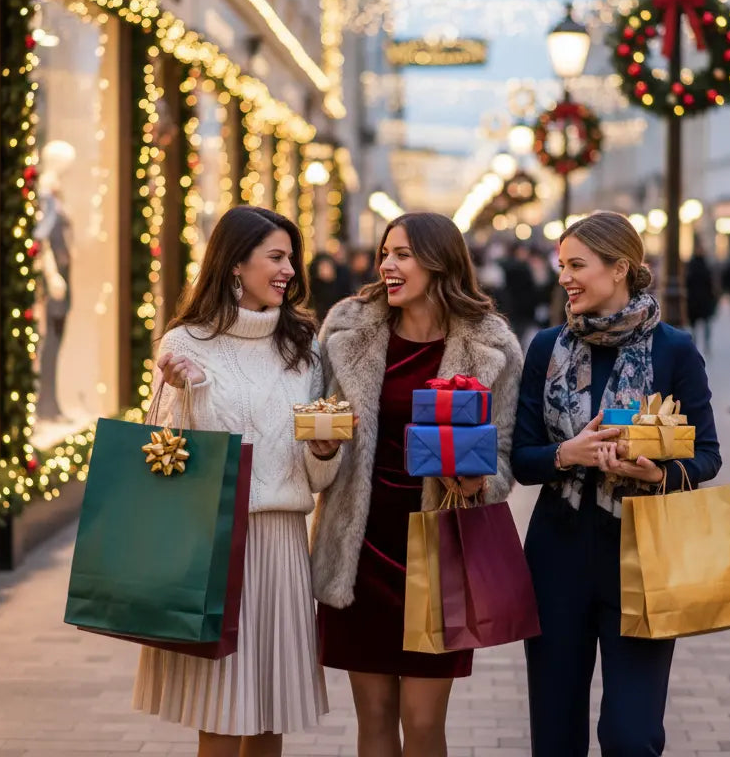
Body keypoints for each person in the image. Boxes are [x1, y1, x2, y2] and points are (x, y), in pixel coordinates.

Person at [133, 206, 344, 757]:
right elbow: (164, 455)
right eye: (276, 257)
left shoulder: (304, 346)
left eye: (290, 258)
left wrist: (324, 449)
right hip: (215, 541)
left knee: (269, 714)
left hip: (280, 544)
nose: (289, 270)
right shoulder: (186, 343)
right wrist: (189, 393)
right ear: (235, 264)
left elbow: (317, 471)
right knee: (221, 715)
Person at [311, 212, 523, 757]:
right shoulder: (346, 330)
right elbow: (317, 426)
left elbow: (503, 458)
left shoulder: (491, 345)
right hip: (362, 545)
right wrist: (321, 445)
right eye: (385, 253)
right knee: (375, 717)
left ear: (439, 261)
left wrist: (477, 480)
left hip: (439, 548)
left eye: (402, 254)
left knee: (423, 721)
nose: (387, 265)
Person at [510, 211, 721, 756]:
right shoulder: (545, 348)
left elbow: (708, 454)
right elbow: (522, 458)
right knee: (555, 734)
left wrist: (659, 473)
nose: (565, 278)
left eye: (577, 265)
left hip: (643, 554)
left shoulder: (674, 349)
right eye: (562, 266)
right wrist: (567, 453)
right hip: (556, 554)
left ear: (620, 267)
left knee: (632, 735)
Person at [684, 246, 717, 353]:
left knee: (705, 324)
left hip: (703, 300)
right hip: (695, 300)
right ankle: (696, 343)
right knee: (696, 325)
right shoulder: (693, 265)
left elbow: (711, 283)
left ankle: (706, 344)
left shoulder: (704, 265)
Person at [309, 251, 350, 324]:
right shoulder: (314, 288)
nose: (326, 270)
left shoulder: (342, 284)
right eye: (323, 267)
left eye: (328, 267)